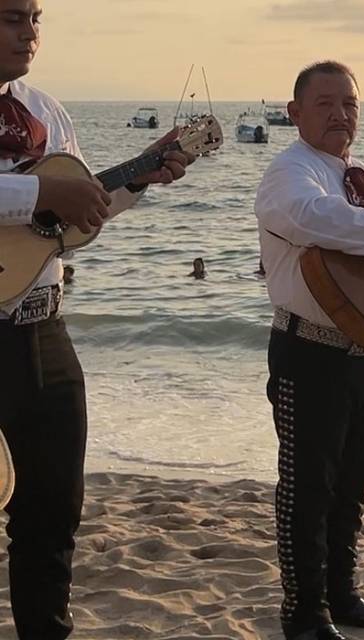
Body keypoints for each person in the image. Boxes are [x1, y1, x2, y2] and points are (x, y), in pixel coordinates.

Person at [0, 1, 194, 638]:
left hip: (45, 329)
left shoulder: (47, 112)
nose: (27, 32)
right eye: (9, 17)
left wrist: (139, 179)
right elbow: (44, 199)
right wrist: (40, 192)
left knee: (54, 509)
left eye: (34, 17)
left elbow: (74, 223)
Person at [254, 60, 364, 640]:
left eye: (350, 104)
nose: (340, 114)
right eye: (326, 103)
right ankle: (304, 615)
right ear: (295, 113)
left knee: (352, 488)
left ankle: (343, 596)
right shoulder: (290, 173)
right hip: (310, 356)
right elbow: (313, 218)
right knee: (307, 492)